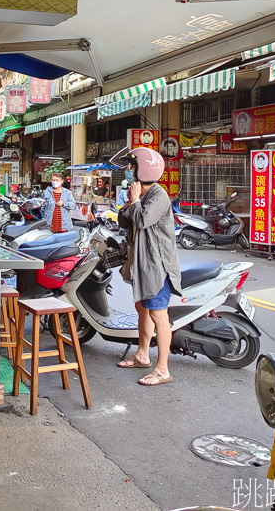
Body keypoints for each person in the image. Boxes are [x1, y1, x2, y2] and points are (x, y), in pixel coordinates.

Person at [116, 147, 182, 386]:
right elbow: (125, 221)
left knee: (158, 313)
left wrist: (134, 201)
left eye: (132, 166)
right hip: (142, 263)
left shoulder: (158, 195)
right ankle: (143, 355)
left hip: (157, 265)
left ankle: (163, 369)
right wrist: (129, 203)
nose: (129, 171)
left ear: (143, 169)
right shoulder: (142, 194)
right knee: (142, 307)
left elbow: (143, 220)